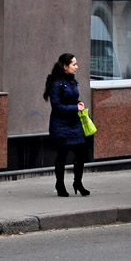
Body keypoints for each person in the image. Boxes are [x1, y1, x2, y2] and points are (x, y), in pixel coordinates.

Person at [43, 53, 90, 197]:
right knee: (62, 155)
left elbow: (72, 99)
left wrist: (78, 103)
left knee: (81, 153)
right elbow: (57, 107)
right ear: (65, 66)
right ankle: (60, 184)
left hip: (74, 123)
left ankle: (78, 183)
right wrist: (75, 108)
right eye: (74, 64)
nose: (77, 67)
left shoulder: (72, 81)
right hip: (60, 125)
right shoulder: (56, 84)